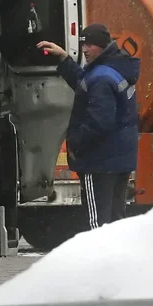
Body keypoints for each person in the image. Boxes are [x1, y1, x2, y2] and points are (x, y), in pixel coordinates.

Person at [37, 23, 140, 229]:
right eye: (82, 44)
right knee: (116, 222)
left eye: (89, 45)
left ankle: (100, 252)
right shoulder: (114, 67)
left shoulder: (101, 78)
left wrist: (75, 144)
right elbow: (85, 83)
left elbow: (100, 122)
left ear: (101, 46)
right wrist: (64, 58)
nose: (84, 49)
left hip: (99, 162)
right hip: (119, 160)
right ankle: (117, 252)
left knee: (97, 225)